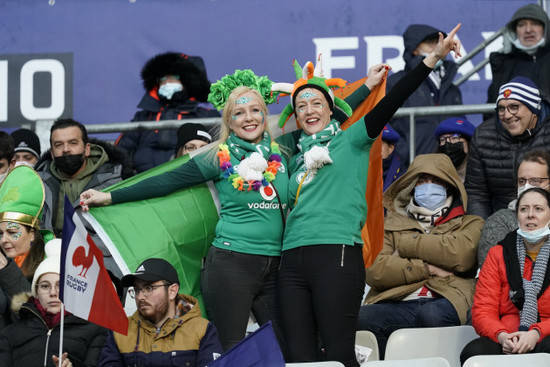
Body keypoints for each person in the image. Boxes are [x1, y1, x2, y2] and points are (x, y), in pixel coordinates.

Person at [271, 24, 463, 367]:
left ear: (332, 110)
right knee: (299, 359)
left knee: (339, 354)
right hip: (291, 262)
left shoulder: (352, 139)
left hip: (337, 255)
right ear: (296, 116)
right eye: (301, 106)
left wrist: (433, 56)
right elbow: (249, 128)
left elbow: (396, 97)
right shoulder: (291, 154)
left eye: (317, 102)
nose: (310, 110)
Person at [80, 70, 288, 351]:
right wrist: (109, 196)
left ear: (266, 115)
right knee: (231, 350)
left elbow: (321, 113)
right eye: (239, 113)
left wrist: (296, 89)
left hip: (275, 267)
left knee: (285, 347)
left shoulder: (284, 149)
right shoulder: (217, 156)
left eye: (255, 110)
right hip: (231, 265)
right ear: (229, 120)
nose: (249, 118)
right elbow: (165, 181)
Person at [356, 154, 483, 359]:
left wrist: (404, 246)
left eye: (436, 181)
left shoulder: (470, 223)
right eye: (422, 181)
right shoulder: (389, 226)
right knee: (364, 316)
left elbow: (461, 255)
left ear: (450, 186)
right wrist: (429, 268)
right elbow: (375, 269)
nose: (428, 186)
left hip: (447, 298)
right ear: (412, 186)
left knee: (431, 314)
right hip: (398, 300)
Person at [460, 187, 550, 364]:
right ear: (517, 216)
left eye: (538, 209)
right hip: (507, 335)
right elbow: (483, 310)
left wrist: (536, 333)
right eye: (524, 209)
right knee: (474, 351)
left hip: (545, 334)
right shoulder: (498, 253)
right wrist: (502, 336)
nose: (530, 215)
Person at [0, 239, 108, 367]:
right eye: (45, 286)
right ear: (36, 292)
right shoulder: (11, 333)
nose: (53, 292)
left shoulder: (94, 330)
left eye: (60, 286)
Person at [98, 258, 222, 366]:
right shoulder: (120, 331)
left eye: (148, 288)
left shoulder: (202, 329)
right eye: (136, 290)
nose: (140, 296)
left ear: (172, 291)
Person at [115, 52, 219, 173]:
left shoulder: (207, 116)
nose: (166, 83)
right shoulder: (143, 117)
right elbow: (119, 152)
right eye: (163, 79)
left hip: (190, 183)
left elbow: (222, 156)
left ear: (189, 82)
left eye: (173, 77)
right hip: (142, 183)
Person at [465, 76, 550, 219]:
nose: (507, 115)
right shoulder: (483, 135)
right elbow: (477, 194)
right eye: (501, 108)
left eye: (514, 107)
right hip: (502, 221)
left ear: (533, 108)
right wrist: (484, 232)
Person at [35, 118, 130, 237]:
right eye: (59, 145)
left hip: (99, 252)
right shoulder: (37, 184)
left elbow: (121, 232)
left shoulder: (115, 180)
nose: (66, 150)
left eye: (73, 143)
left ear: (87, 149)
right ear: (52, 153)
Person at [387, 24, 463, 164]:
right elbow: (383, 127)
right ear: (414, 49)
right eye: (430, 43)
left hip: (450, 168)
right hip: (410, 168)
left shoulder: (451, 88)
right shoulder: (396, 84)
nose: (437, 46)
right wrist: (404, 154)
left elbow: (462, 127)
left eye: (438, 42)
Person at [478, 149, 550, 268]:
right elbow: (490, 271)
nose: (527, 186)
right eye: (521, 181)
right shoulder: (500, 221)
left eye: (535, 181)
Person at [487, 4, 550, 108]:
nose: (528, 30)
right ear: (514, 31)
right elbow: (491, 111)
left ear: (545, 29)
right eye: (521, 25)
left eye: (535, 24)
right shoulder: (504, 65)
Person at [0, 165, 51, 280]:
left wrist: (6, 270)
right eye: (0, 233)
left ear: (32, 234)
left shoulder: (51, 268)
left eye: (12, 232)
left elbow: (24, 298)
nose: (3, 240)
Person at [434, 117, 476, 182]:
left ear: (469, 143)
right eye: (443, 139)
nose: (448, 143)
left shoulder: (482, 176)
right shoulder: (435, 178)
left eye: (454, 138)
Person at [381, 124, 406, 192]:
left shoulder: (403, 176)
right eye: (369, 146)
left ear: (391, 147)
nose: (373, 150)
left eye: (378, 145)